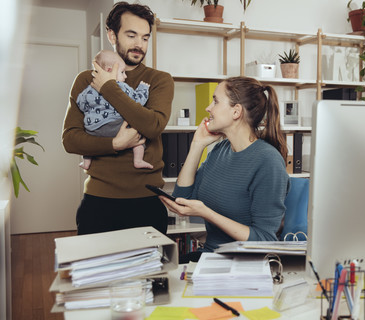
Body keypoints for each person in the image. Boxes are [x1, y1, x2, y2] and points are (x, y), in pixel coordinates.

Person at [62, 2, 174, 235]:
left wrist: (108, 86)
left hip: (147, 201)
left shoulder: (160, 80)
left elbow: (152, 126)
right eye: (131, 35)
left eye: (145, 38)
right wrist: (115, 144)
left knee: (151, 273)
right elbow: (70, 139)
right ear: (112, 35)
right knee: (95, 271)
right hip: (98, 201)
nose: (139, 45)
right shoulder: (85, 80)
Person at [161, 76, 290, 263]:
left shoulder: (268, 161)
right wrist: (197, 145)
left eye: (215, 101)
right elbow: (183, 198)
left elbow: (264, 240)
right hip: (211, 256)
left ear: (236, 111)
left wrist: (207, 213)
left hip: (243, 262)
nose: (208, 108)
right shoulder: (221, 149)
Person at [77, 49, 153, 170]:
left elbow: (80, 104)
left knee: (87, 142)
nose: (125, 76)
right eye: (122, 72)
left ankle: (86, 162)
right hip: (114, 127)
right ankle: (138, 160)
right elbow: (137, 101)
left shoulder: (89, 88)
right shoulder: (121, 86)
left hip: (93, 129)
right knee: (137, 135)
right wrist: (143, 88)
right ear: (109, 71)